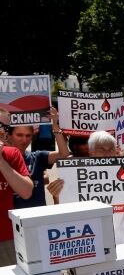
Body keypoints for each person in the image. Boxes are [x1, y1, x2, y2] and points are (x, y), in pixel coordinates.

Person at [48, 131, 124, 244]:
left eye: (110, 149)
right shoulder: (76, 177)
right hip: (93, 242)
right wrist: (57, 196)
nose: (107, 154)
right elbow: (64, 211)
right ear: (91, 152)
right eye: (101, 149)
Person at [10, 108, 69, 209]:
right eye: (19, 135)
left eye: (28, 136)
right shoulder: (3, 160)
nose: (24, 140)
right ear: (9, 136)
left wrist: (55, 125)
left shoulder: (37, 157)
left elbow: (63, 154)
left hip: (38, 216)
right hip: (13, 217)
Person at [0, 111, 33, 265]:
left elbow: (26, 192)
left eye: (3, 128)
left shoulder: (11, 154)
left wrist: (0, 161)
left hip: (5, 237)